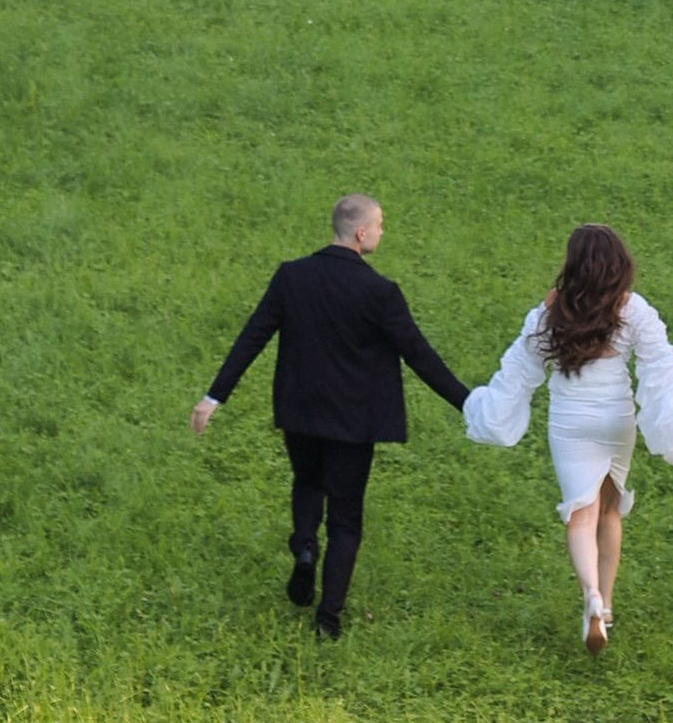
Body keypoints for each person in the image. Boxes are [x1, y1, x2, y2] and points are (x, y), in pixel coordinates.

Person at [192, 192, 468, 640]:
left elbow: (253, 336)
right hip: (353, 424)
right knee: (345, 518)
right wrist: (467, 403)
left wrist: (214, 396)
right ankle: (328, 620)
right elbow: (418, 354)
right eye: (379, 225)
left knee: (307, 481)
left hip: (299, 413)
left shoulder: (291, 277)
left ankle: (304, 548)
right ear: (361, 233)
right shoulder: (380, 292)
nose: (381, 232)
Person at [463, 221, 673, 653]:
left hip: (569, 423)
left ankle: (591, 595)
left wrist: (488, 410)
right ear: (617, 265)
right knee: (610, 512)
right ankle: (608, 604)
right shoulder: (631, 309)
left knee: (580, 513)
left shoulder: (550, 311)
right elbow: (662, 369)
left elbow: (521, 369)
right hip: (616, 422)